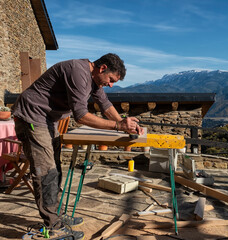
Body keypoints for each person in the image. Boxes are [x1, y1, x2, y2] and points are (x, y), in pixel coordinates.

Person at [12, 53, 143, 239]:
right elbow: (80, 116)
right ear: (102, 68)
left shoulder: (93, 79)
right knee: (45, 172)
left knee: (54, 169)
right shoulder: (78, 71)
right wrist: (118, 126)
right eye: (111, 80)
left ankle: (57, 216)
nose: (111, 84)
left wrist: (124, 123)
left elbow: (104, 104)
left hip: (48, 120)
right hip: (32, 116)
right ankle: (54, 226)